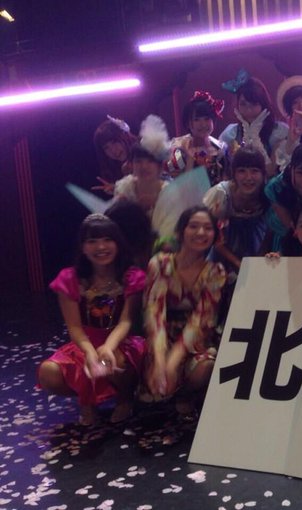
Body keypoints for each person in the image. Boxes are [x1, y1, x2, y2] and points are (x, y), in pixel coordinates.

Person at [37, 213, 146, 426]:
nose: (101, 247)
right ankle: (87, 402)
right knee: (48, 373)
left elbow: (126, 321)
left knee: (112, 359)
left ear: (117, 243)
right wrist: (89, 351)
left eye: (107, 239)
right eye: (92, 241)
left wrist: (108, 347)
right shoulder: (70, 279)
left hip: (120, 342)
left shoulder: (131, 277)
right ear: (83, 247)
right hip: (84, 343)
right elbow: (75, 327)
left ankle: (125, 399)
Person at [144, 206, 227, 417]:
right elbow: (155, 313)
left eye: (207, 228)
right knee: (155, 376)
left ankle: (186, 394)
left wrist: (172, 362)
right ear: (181, 231)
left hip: (197, 337)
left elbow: (201, 320)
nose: (201, 233)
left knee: (205, 367)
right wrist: (161, 359)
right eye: (194, 226)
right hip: (162, 335)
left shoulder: (215, 271)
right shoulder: (160, 264)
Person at [203, 146, 270, 272]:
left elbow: (270, 235)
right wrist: (239, 264)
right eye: (242, 171)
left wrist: (258, 263)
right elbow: (211, 235)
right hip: (222, 255)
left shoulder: (268, 195)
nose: (248, 177)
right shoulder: (221, 194)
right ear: (233, 174)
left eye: (254, 171)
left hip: (258, 251)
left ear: (263, 174)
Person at [220, 69, 288, 177]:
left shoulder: (279, 131)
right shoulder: (230, 134)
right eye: (243, 104)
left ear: (263, 104)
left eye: (254, 104)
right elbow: (227, 172)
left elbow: (270, 171)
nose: (248, 110)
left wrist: (254, 136)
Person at [168, 91, 229, 186]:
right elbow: (175, 183)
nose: (203, 124)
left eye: (207, 119)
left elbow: (226, 182)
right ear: (188, 123)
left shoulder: (220, 149)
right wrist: (190, 160)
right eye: (197, 120)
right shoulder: (178, 148)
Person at [114, 114, 170, 217]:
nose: (144, 166)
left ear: (159, 166)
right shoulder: (125, 188)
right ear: (131, 164)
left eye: (150, 161)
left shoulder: (168, 192)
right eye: (138, 161)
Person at [92, 116, 138, 194]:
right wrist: (119, 190)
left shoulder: (148, 149)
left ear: (125, 136)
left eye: (114, 142)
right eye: (106, 148)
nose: (113, 150)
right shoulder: (121, 169)